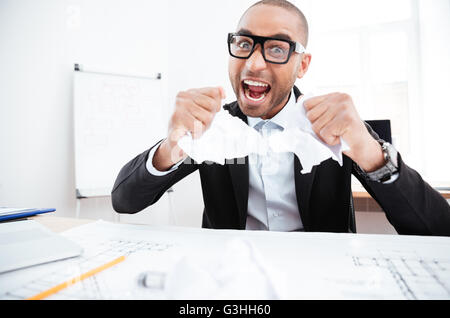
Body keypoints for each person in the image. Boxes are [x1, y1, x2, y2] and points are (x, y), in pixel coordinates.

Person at [111, 0, 450, 236]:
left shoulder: (337, 125)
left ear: (302, 64)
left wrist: (372, 154)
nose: (254, 63)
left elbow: (438, 229)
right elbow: (124, 201)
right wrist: (172, 145)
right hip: (230, 285)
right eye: (244, 43)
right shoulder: (213, 127)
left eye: (276, 48)